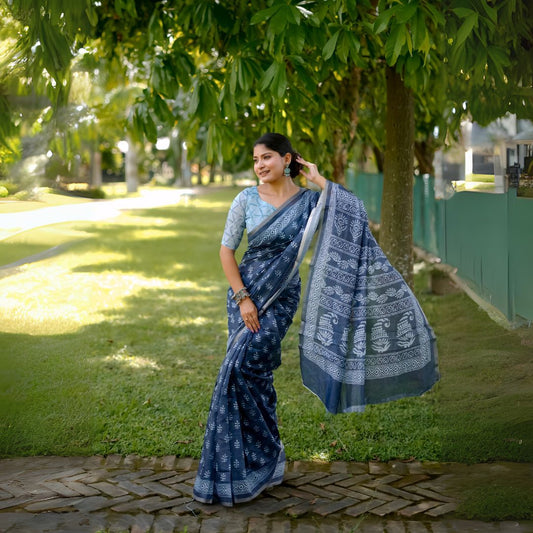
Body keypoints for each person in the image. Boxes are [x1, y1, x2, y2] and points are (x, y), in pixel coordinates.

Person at [193, 133, 439, 507]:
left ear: (287, 159)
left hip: (282, 294)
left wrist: (320, 179)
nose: (260, 165)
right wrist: (243, 298)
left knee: (246, 363)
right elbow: (226, 252)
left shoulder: (309, 202)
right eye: (256, 159)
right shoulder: (244, 200)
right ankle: (263, 459)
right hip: (246, 293)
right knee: (249, 373)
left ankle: (261, 457)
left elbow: (353, 212)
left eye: (268, 157)